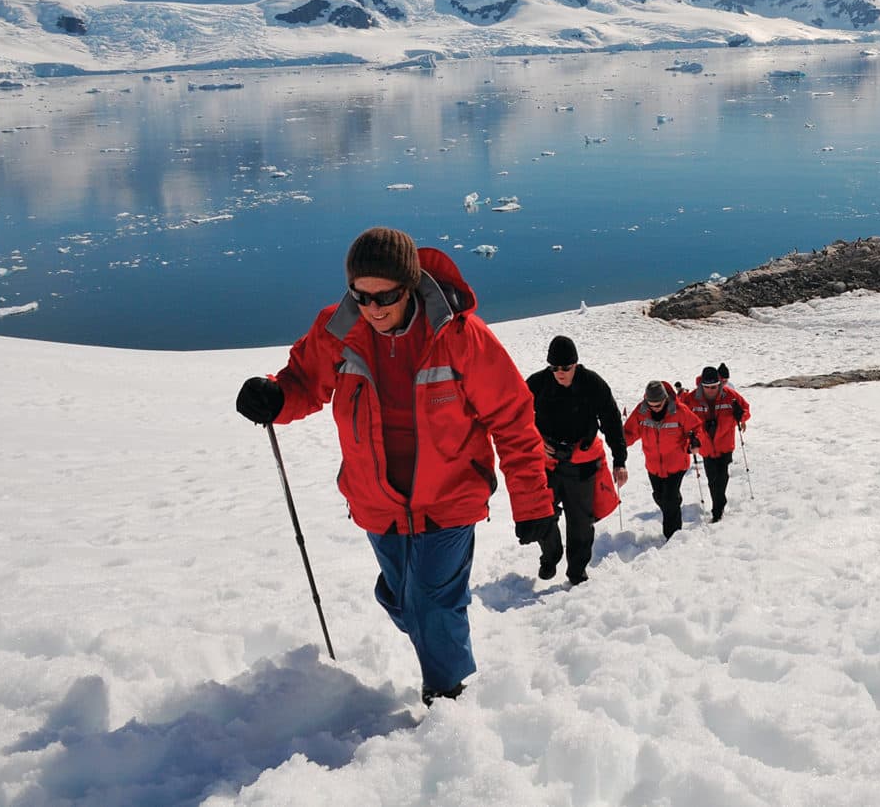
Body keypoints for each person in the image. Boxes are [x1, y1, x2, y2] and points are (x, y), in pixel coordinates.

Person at [233, 226, 556, 706]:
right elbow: (303, 381)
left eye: (385, 295)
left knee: (430, 600)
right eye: (360, 296)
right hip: (377, 502)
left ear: (410, 286)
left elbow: (511, 417)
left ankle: (447, 695)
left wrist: (533, 503)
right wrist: (274, 396)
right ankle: (427, 621)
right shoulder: (339, 329)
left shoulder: (460, 336)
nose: (373, 307)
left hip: (450, 498)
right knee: (410, 599)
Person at [524, 336, 628, 583]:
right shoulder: (537, 384)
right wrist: (538, 442)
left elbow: (612, 421)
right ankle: (551, 556)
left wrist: (619, 460)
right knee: (542, 513)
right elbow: (519, 420)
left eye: (565, 368)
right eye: (554, 368)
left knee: (581, 523)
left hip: (582, 463)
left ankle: (577, 571)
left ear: (576, 364)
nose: (560, 373)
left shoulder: (593, 384)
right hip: (547, 462)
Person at [622, 380, 703, 539]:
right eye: (651, 404)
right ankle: (673, 504)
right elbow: (630, 432)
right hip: (653, 465)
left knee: (669, 500)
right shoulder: (641, 411)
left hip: (677, 464)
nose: (655, 407)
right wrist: (619, 442)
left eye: (658, 404)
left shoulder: (679, 411)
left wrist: (694, 441)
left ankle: (672, 537)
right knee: (660, 497)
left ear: (665, 399)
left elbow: (696, 427)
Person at [681, 365, 751, 521]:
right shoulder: (691, 399)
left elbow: (746, 409)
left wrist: (741, 416)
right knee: (713, 479)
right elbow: (682, 417)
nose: (711, 390)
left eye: (715, 386)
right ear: (702, 385)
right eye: (708, 387)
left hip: (725, 443)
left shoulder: (730, 395)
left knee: (723, 476)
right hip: (706, 446)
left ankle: (719, 503)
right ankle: (717, 510)